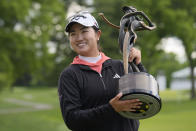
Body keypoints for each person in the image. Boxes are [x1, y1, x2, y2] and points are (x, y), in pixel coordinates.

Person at [58, 11, 144, 131]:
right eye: (73, 34)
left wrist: (138, 64)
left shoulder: (119, 66)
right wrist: (111, 108)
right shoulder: (69, 75)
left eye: (84, 31)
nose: (79, 38)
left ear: (98, 34)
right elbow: (72, 120)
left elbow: (146, 97)